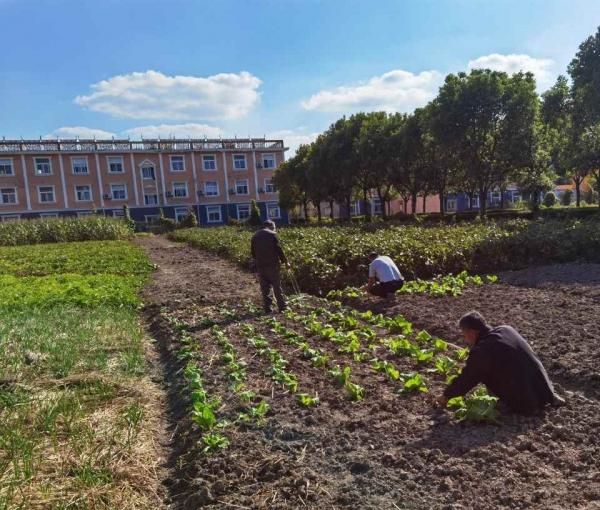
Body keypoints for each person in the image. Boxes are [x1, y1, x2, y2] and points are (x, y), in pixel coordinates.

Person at [435, 311, 565, 414]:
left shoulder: (482, 350)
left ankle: (527, 405)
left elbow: (467, 379)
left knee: (484, 373)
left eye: (464, 335)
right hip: (546, 388)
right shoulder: (506, 329)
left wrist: (447, 395)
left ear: (472, 333)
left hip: (527, 401)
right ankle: (547, 397)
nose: (465, 339)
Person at [250, 220, 288, 313]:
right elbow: (279, 250)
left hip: (261, 266)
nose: (275, 229)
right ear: (271, 226)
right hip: (273, 265)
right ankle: (282, 307)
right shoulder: (272, 234)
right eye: (274, 228)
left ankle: (268, 308)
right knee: (277, 286)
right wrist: (286, 262)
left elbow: (253, 254)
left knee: (265, 288)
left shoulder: (254, 236)